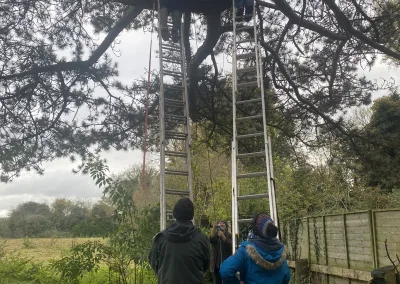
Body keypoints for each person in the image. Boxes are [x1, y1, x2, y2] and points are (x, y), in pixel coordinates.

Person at [148, 198, 210, 284]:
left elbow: (153, 263)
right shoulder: (202, 239)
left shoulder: (161, 238)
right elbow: (206, 265)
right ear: (192, 215)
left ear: (174, 214)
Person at [219, 213, 291, 284]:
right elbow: (286, 277)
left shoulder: (246, 249)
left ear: (255, 230)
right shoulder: (281, 250)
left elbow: (225, 271)